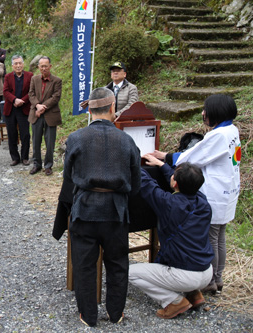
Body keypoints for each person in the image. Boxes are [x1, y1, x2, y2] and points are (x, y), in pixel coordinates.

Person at [63, 87, 141, 327]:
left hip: (85, 209)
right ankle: (116, 314)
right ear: (112, 108)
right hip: (116, 211)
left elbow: (68, 176)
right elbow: (136, 184)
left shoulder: (76, 138)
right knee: (117, 264)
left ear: (90, 110)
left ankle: (88, 315)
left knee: (84, 265)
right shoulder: (127, 140)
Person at [149, 94, 241, 295]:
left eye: (205, 110)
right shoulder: (231, 129)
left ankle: (211, 281)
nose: (203, 113)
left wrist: (165, 158)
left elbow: (194, 157)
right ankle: (218, 278)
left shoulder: (218, 135)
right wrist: (166, 156)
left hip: (216, 191)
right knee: (220, 235)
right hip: (228, 190)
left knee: (212, 237)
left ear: (216, 112)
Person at [130, 158, 214, 319]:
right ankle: (194, 295)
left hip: (186, 275)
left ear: (175, 183)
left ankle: (173, 301)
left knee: (130, 272)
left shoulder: (168, 203)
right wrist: (162, 165)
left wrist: (133, 158)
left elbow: (146, 184)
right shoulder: (202, 201)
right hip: (206, 271)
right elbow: (181, 181)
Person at [28, 56, 62, 176]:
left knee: (50, 142)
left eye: (46, 66)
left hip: (50, 114)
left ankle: (48, 165)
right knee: (36, 140)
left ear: (50, 66)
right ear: (38, 67)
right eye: (41, 66)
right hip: (36, 113)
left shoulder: (57, 80)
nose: (43, 68)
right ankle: (37, 164)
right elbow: (31, 94)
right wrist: (37, 105)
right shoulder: (34, 79)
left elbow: (56, 97)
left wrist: (43, 107)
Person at [3, 55, 32, 166]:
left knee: (25, 134)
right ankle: (15, 157)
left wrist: (22, 101)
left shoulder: (30, 76)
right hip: (11, 108)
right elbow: (5, 91)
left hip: (24, 108)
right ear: (12, 65)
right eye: (16, 63)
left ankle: (25, 157)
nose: (18, 66)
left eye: (20, 63)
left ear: (23, 64)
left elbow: (31, 91)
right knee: (12, 134)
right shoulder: (8, 76)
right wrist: (14, 99)